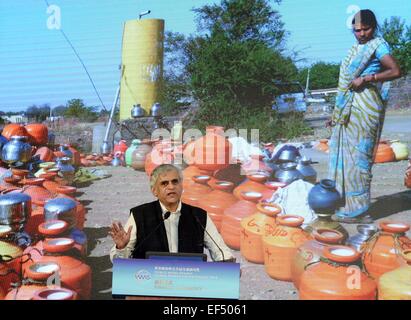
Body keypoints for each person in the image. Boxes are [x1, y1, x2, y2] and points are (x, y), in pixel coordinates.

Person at [327, 9, 401, 223]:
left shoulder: (378, 45)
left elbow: (395, 70)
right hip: (350, 110)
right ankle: (346, 203)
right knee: (347, 158)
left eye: (365, 29)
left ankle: (360, 210)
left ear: (373, 26)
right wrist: (337, 115)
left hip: (366, 108)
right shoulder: (356, 48)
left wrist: (368, 78)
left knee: (360, 157)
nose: (361, 34)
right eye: (357, 30)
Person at [109, 164, 235, 262]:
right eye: (164, 183)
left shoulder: (199, 216)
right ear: (154, 191)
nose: (171, 187)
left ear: (181, 187)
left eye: (175, 182)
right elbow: (119, 260)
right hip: (150, 286)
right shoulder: (140, 215)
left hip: (189, 285)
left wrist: (228, 262)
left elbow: (220, 250)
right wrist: (121, 248)